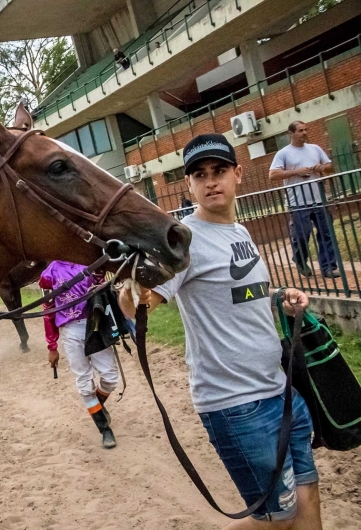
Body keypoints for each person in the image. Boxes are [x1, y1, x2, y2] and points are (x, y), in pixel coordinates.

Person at [119, 133, 322, 528]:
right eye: (200, 174)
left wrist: (279, 295)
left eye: (219, 170)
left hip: (281, 391)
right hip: (236, 406)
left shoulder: (241, 232)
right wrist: (131, 285)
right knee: (275, 521)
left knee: (308, 498)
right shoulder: (183, 242)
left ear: (238, 175)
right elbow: (140, 304)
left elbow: (242, 292)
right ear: (190, 185)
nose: (211, 180)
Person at [41, 261, 119, 449]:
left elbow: (102, 288)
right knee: (84, 382)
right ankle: (104, 428)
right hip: (70, 331)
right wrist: (52, 346)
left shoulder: (90, 262)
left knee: (111, 378)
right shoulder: (49, 273)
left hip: (95, 325)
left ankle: (97, 408)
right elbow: (48, 310)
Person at [269, 121, 338, 279]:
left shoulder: (315, 149)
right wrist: (296, 172)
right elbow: (272, 175)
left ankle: (328, 268)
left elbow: (330, 166)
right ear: (291, 134)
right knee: (302, 234)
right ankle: (300, 259)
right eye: (300, 130)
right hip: (298, 202)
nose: (304, 133)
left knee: (326, 233)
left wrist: (322, 168)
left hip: (318, 198)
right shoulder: (283, 153)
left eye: (306, 130)